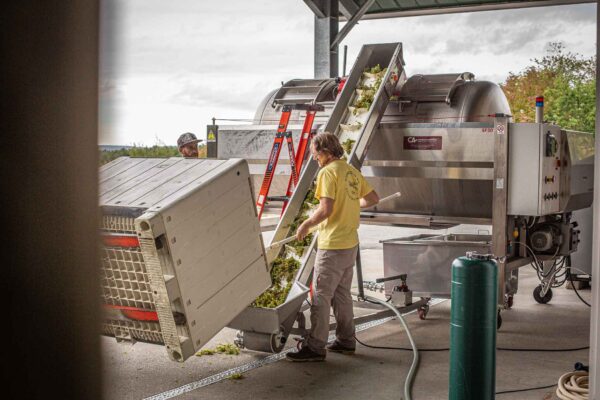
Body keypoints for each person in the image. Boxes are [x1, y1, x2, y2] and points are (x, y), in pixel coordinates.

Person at [286, 132, 379, 362]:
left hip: (333, 244)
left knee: (320, 296)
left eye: (315, 153)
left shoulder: (327, 173)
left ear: (325, 151)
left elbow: (326, 209)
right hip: (350, 244)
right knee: (342, 295)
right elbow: (374, 198)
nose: (314, 158)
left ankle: (315, 347)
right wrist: (352, 205)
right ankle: (346, 341)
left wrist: (306, 225)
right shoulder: (350, 171)